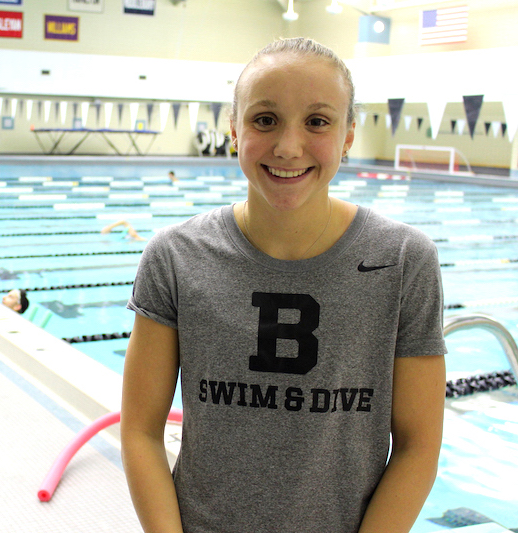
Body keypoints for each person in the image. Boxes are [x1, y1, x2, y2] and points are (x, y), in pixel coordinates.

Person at [121, 37, 447, 533]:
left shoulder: (403, 261)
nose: (288, 147)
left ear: (348, 134)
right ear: (234, 129)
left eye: (317, 121)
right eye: (265, 120)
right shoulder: (175, 257)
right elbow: (141, 431)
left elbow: (418, 447)